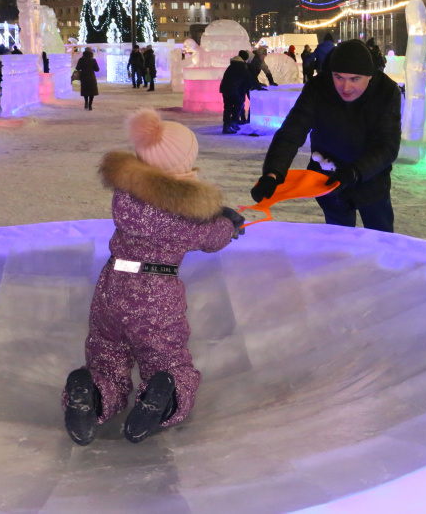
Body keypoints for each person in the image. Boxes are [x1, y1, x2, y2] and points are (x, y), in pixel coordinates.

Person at [62, 108, 245, 446]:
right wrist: (228, 223)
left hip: (112, 283)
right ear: (182, 166)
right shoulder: (185, 217)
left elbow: (162, 203)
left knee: (107, 354)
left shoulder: (126, 196)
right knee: (166, 357)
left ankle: (93, 391)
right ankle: (165, 396)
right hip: (155, 293)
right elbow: (211, 237)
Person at [251, 39, 401, 232]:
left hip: (371, 180)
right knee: (339, 239)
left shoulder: (386, 92)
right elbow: (292, 132)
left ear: (369, 77)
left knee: (380, 236)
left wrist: (355, 172)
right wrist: (273, 173)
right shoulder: (318, 87)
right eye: (339, 77)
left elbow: (388, 145)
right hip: (328, 178)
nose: (345, 87)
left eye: (354, 79)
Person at [219, 50, 262, 134]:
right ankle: (233, 121)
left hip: (225, 89)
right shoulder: (241, 66)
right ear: (245, 59)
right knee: (240, 103)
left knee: (227, 107)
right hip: (232, 89)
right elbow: (249, 78)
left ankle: (226, 127)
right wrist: (258, 86)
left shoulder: (232, 65)